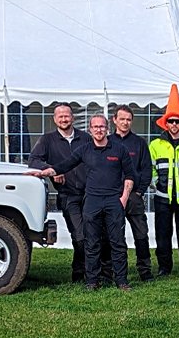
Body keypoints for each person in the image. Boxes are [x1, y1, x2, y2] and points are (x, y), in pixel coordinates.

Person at [28, 114, 134, 291]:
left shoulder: (119, 150)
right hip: (92, 201)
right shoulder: (85, 150)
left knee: (117, 242)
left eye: (102, 127)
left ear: (107, 129)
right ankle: (92, 281)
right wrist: (42, 172)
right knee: (91, 242)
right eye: (95, 127)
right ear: (90, 130)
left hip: (113, 201)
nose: (99, 130)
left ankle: (121, 281)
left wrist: (123, 198)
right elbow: (64, 165)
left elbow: (130, 176)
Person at [28, 104, 90, 282]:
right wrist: (51, 170)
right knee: (79, 235)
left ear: (73, 118)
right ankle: (79, 274)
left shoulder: (85, 138)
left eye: (67, 116)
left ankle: (94, 272)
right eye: (60, 116)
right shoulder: (47, 140)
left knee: (94, 234)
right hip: (68, 195)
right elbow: (33, 160)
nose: (64, 119)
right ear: (55, 119)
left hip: (89, 194)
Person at [149, 85, 179, 276]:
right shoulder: (155, 144)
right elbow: (150, 167)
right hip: (162, 197)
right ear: (165, 124)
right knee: (163, 234)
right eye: (171, 121)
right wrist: (155, 182)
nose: (174, 124)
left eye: (177, 121)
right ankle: (164, 268)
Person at [113, 105, 154, 281]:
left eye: (128, 119)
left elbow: (146, 170)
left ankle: (145, 271)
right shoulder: (107, 142)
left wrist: (139, 192)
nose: (125, 122)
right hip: (113, 197)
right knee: (114, 236)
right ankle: (115, 271)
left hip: (134, 197)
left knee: (141, 235)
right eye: (121, 119)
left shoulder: (139, 143)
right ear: (114, 120)